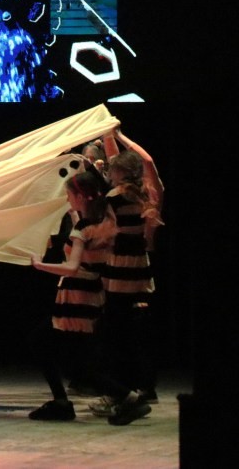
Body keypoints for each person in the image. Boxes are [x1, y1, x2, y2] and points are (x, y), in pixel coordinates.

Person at [28, 170, 152, 426]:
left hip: (76, 297)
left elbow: (72, 267)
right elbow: (84, 233)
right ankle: (71, 401)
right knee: (67, 357)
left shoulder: (83, 229)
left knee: (58, 354)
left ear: (81, 196)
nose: (67, 199)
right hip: (91, 295)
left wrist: (40, 265)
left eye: (69, 195)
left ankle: (125, 398)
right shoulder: (106, 223)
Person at [92, 127, 164, 410]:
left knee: (117, 334)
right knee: (138, 333)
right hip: (141, 271)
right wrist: (116, 136)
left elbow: (105, 234)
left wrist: (112, 136)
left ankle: (122, 392)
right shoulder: (150, 195)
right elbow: (147, 162)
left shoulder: (114, 197)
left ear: (118, 173)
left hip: (119, 272)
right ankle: (144, 387)